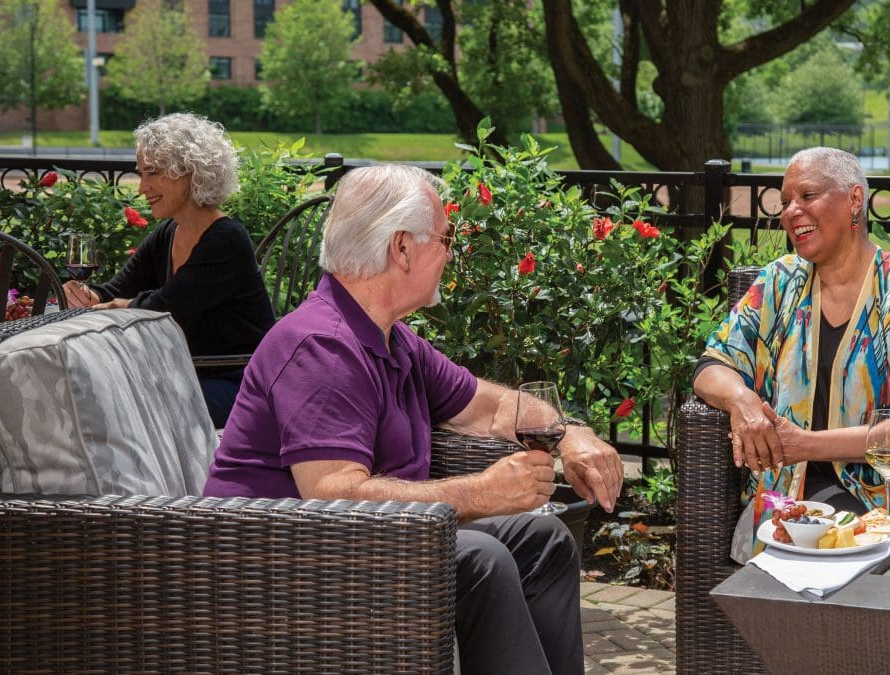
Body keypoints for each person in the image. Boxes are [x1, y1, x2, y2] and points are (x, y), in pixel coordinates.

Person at [203, 163, 623, 674]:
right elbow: (334, 493)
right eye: (445, 238)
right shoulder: (320, 345)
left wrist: (571, 433)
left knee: (543, 538)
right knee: (477, 558)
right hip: (279, 569)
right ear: (402, 248)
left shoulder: (391, 338)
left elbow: (490, 408)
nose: (450, 253)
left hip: (365, 544)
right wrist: (481, 493)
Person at [693, 147, 890, 564]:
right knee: (811, 537)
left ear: (854, 201)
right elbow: (711, 365)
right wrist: (742, 401)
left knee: (851, 547)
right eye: (785, 202)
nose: (792, 211)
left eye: (807, 196)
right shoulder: (780, 283)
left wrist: (802, 445)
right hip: (799, 481)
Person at [63, 113, 274, 428]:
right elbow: (115, 292)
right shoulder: (168, 233)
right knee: (87, 391)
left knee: (118, 404)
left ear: (190, 172)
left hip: (241, 381)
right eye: (141, 173)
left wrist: (115, 305)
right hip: (189, 374)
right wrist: (87, 295)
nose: (142, 187)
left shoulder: (225, 239)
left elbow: (162, 310)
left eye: (152, 173)